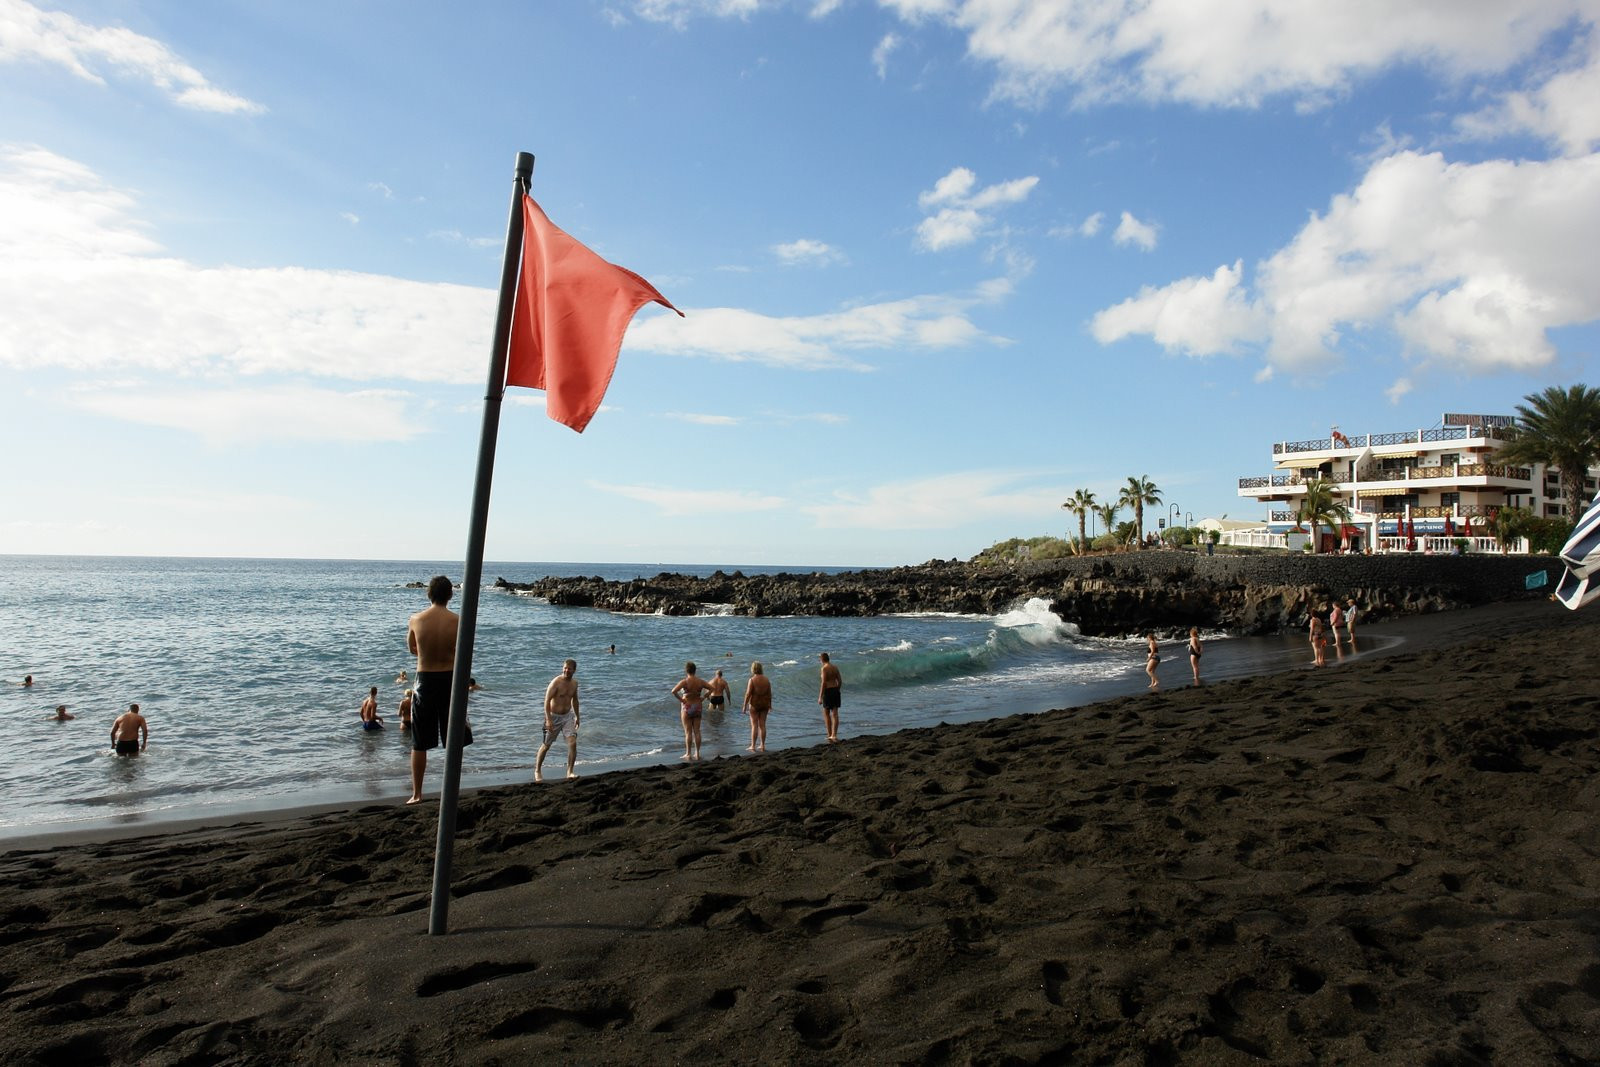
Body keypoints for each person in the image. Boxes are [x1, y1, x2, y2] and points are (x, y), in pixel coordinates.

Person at [405, 575, 459, 804]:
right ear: (450, 595)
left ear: (429, 594)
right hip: (449, 679)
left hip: (424, 680)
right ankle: (451, 788)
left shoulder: (415, 619)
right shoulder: (458, 620)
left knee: (419, 741)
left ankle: (417, 793)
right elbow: (463, 651)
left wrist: (428, 654)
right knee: (453, 738)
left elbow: (412, 649)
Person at [537, 659, 580, 781]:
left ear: (574, 670)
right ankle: (537, 771)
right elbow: (546, 701)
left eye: (569, 668)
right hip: (553, 716)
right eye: (565, 668)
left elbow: (575, 701)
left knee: (572, 742)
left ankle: (570, 771)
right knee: (546, 745)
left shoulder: (574, 683)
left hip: (567, 716)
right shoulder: (556, 683)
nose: (566, 670)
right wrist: (548, 719)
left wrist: (577, 716)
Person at [671, 661, 712, 761]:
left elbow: (673, 691)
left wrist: (681, 700)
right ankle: (697, 754)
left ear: (686, 670)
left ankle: (688, 754)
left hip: (687, 707)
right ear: (695, 670)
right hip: (698, 706)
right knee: (697, 731)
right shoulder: (700, 681)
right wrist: (704, 697)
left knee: (688, 732)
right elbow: (712, 688)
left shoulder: (684, 682)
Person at [743, 661, 772, 752]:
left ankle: (753, 746)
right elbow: (769, 694)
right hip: (764, 704)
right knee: (762, 725)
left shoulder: (751, 680)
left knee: (754, 725)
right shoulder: (767, 680)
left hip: (755, 705)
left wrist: (744, 705)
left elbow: (748, 694)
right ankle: (762, 745)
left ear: (753, 669)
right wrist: (770, 705)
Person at [818, 652, 842, 741]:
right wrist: (837, 689)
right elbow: (840, 680)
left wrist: (820, 696)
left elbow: (823, 683)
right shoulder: (835, 667)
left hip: (828, 691)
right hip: (835, 690)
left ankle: (829, 734)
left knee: (826, 714)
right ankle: (834, 735)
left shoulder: (824, 668)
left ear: (821, 660)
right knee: (835, 714)